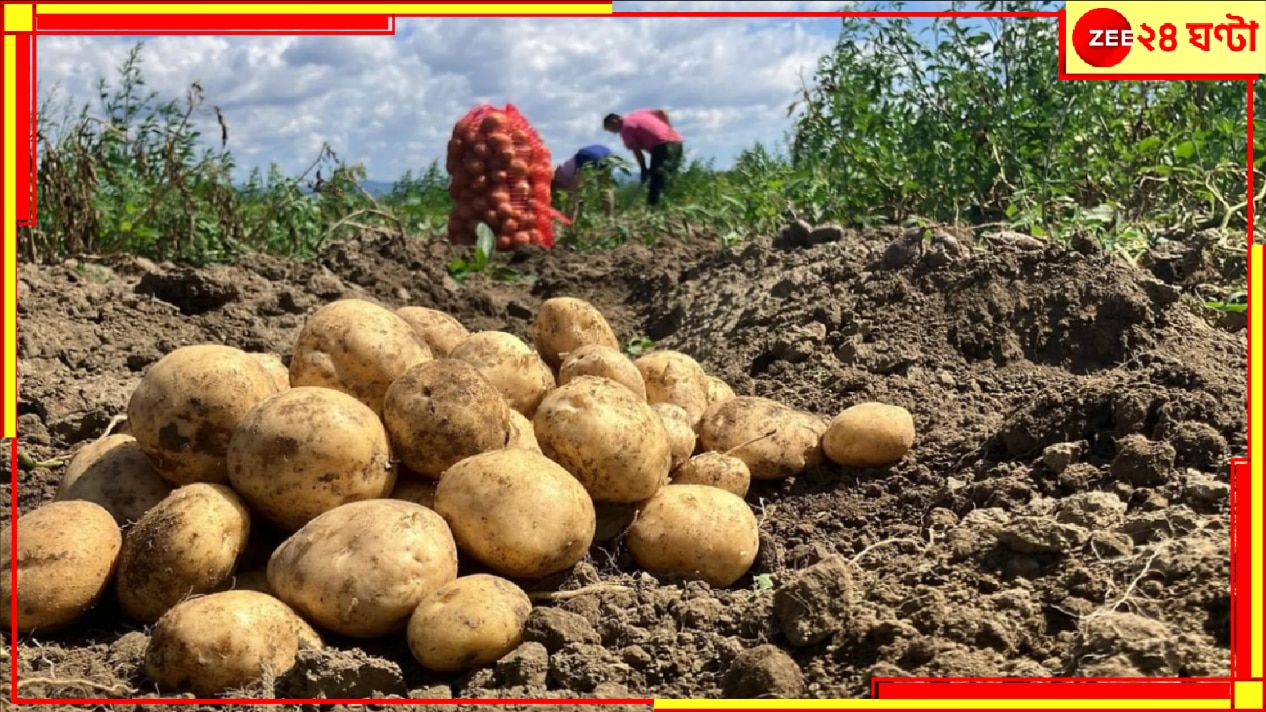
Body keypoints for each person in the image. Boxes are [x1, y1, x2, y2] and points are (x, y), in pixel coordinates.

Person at [603, 110, 683, 208]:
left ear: (614, 120)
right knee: (668, 178)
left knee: (656, 181)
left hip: (661, 146)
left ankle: (652, 211)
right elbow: (662, 112)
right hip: (677, 142)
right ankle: (671, 206)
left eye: (611, 129)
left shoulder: (625, 129)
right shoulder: (638, 114)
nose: (614, 132)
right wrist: (669, 130)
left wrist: (643, 169)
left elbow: (637, 151)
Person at [551, 144, 616, 221]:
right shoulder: (563, 168)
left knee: (572, 194)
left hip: (586, 157)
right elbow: (580, 198)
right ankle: (609, 218)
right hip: (607, 154)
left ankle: (569, 222)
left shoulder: (557, 178)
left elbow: (573, 196)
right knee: (605, 188)